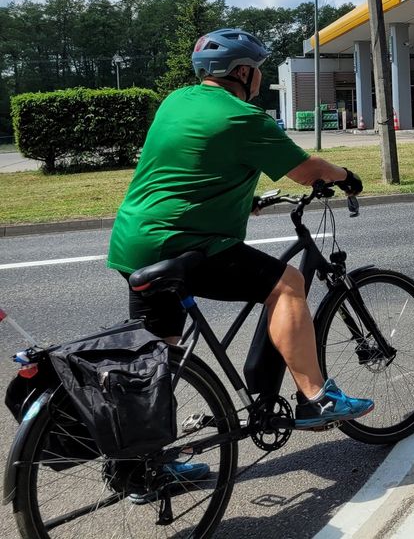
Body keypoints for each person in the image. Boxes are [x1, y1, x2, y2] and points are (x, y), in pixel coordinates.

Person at [107, 28, 374, 435]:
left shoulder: (177, 101)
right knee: (287, 284)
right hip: (182, 242)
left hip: (132, 242)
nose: (261, 81)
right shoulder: (245, 118)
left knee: (160, 356)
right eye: (259, 72)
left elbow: (187, 163)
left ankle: (145, 462)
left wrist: (246, 200)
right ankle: (317, 398)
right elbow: (307, 171)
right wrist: (347, 177)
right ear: (243, 71)